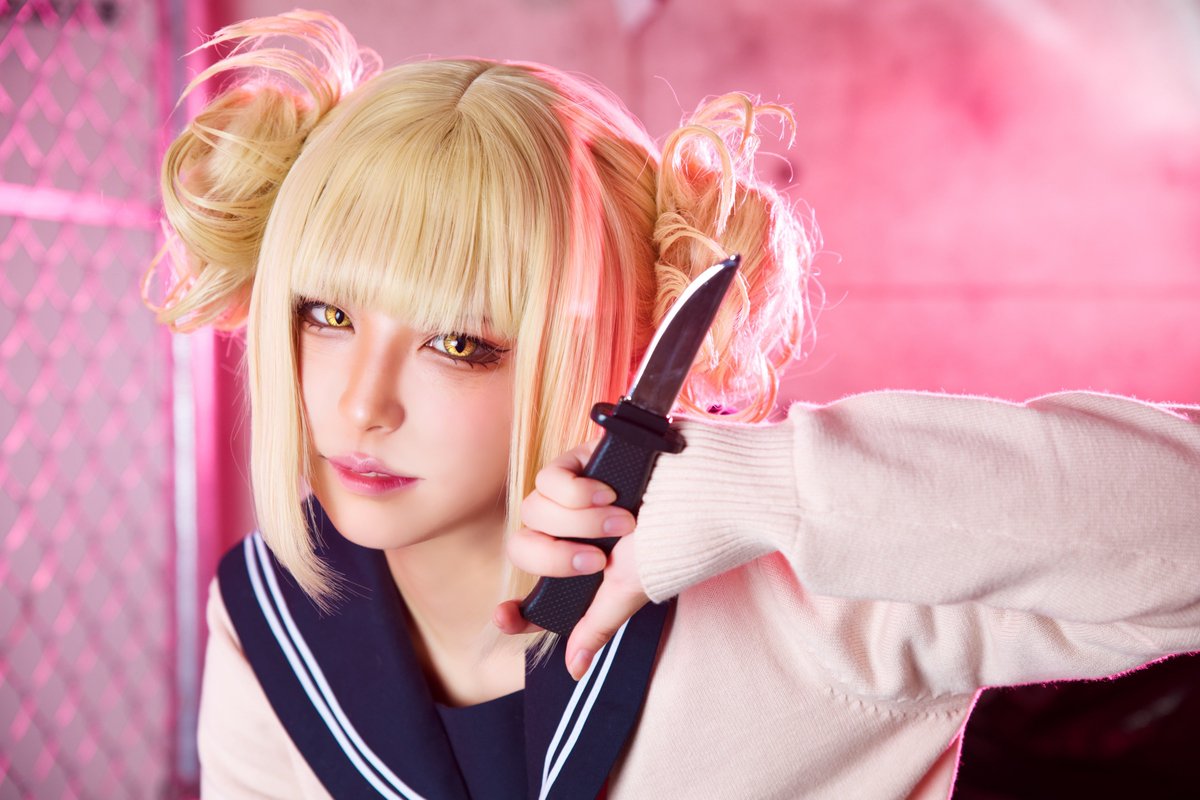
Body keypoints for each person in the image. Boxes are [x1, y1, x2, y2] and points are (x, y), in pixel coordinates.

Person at [146, 10, 1200, 800]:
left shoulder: (815, 593)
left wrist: (773, 487)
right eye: (326, 315)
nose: (360, 404)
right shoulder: (271, 615)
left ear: (611, 343)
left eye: (459, 343)